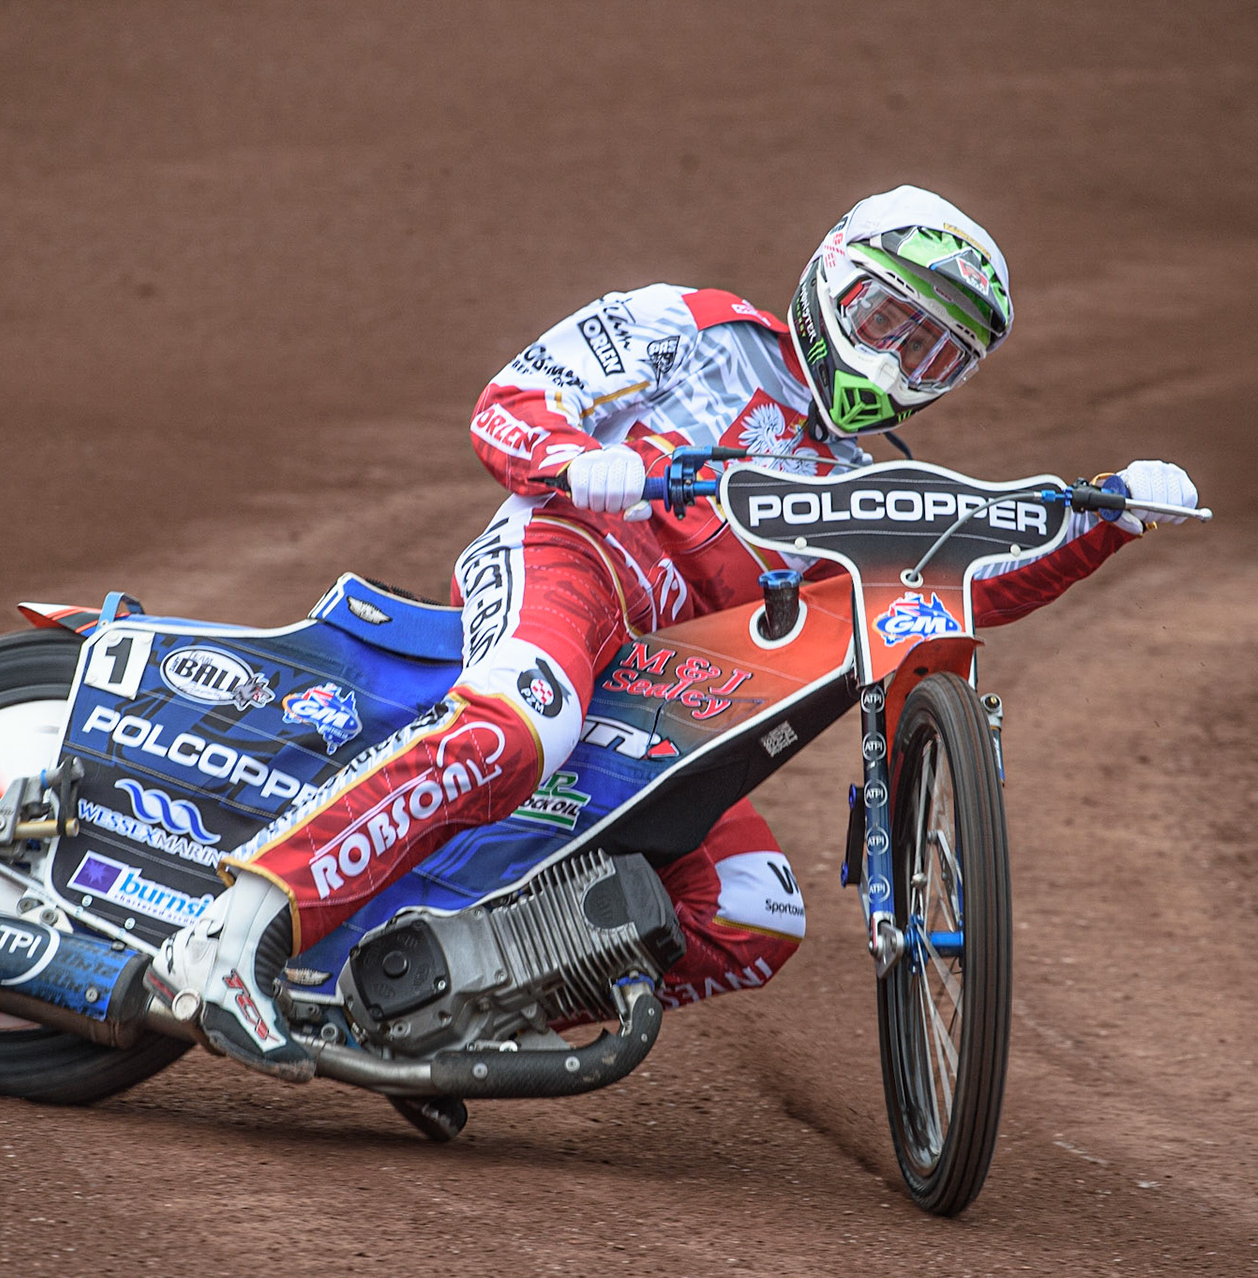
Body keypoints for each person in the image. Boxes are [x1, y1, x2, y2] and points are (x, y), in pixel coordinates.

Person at [148, 186, 1200, 1080]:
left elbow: (966, 586)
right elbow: (513, 399)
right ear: (832, 280)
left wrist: (1107, 520)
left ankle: (447, 1007)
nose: (894, 361)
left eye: (931, 352)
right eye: (887, 319)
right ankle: (233, 937)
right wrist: (574, 461)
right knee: (520, 724)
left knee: (754, 912)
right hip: (570, 555)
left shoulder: (858, 489)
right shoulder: (688, 327)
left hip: (668, 679)